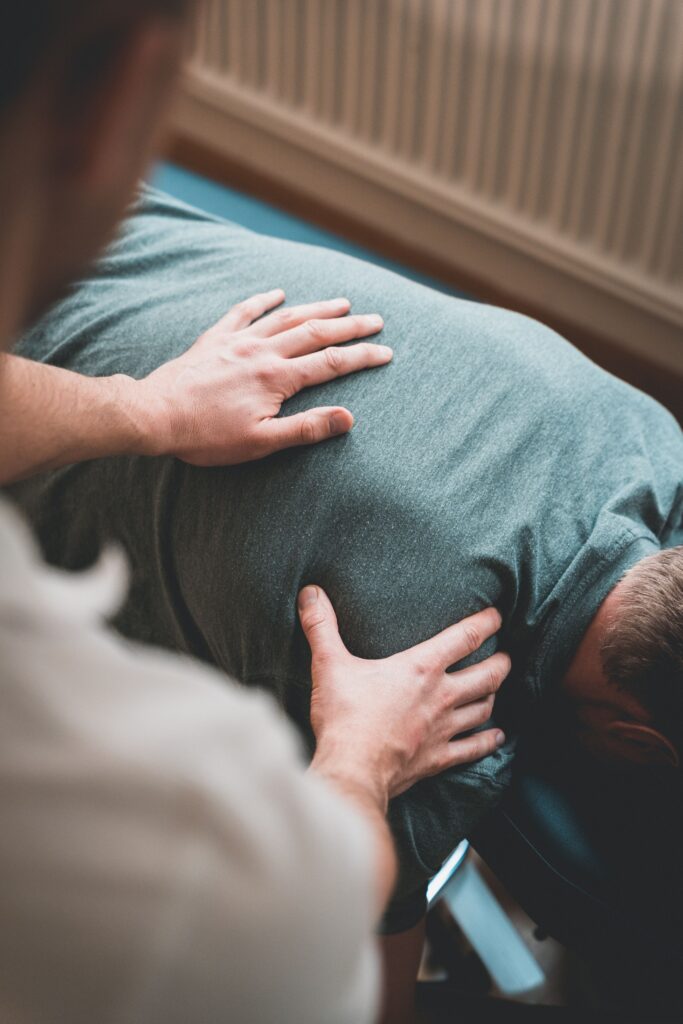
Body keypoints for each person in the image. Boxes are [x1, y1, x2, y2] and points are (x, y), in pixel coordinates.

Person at [10, 177, 683, 1009]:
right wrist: (360, 771)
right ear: (641, 741)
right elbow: (352, 1000)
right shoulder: (437, 705)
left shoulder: (647, 430)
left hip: (81, 221)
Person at [0, 3, 512, 1023]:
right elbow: (301, 923)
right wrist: (356, 769)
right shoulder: (159, 826)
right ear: (114, 101)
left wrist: (142, 408)